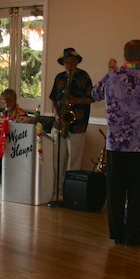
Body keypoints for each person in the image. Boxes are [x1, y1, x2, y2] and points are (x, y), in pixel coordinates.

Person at [92, 40, 140, 246]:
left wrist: (110, 72)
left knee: (115, 192)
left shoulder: (112, 77)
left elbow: (94, 93)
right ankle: (132, 236)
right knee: (136, 192)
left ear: (125, 55)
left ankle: (116, 234)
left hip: (115, 145)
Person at [48, 48, 93, 203]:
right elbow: (53, 99)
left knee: (74, 161)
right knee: (57, 160)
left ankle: (70, 194)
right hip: (60, 123)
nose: (69, 65)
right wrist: (59, 116)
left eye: (72, 62)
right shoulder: (60, 77)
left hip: (78, 125)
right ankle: (56, 192)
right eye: (66, 62)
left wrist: (77, 101)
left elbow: (91, 98)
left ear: (77, 62)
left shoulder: (84, 76)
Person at [0, 87, 29, 190]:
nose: (6, 102)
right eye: (4, 100)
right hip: (0, 141)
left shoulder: (21, 114)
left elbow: (18, 133)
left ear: (14, 99)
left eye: (8, 100)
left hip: (13, 145)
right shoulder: (4, 114)